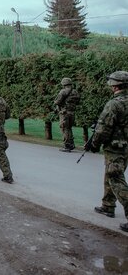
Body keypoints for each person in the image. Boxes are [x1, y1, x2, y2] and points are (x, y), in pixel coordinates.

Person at [85, 71, 128, 233]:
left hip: (115, 147)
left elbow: (103, 129)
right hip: (126, 147)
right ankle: (108, 205)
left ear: (115, 85)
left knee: (116, 178)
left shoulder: (114, 104)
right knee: (112, 174)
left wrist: (94, 145)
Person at [54, 77, 80, 152]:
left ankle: (67, 145)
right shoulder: (75, 92)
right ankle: (71, 144)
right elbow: (78, 102)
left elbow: (57, 102)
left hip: (64, 113)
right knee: (69, 129)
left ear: (63, 84)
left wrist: (56, 103)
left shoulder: (63, 91)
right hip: (72, 113)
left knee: (64, 129)